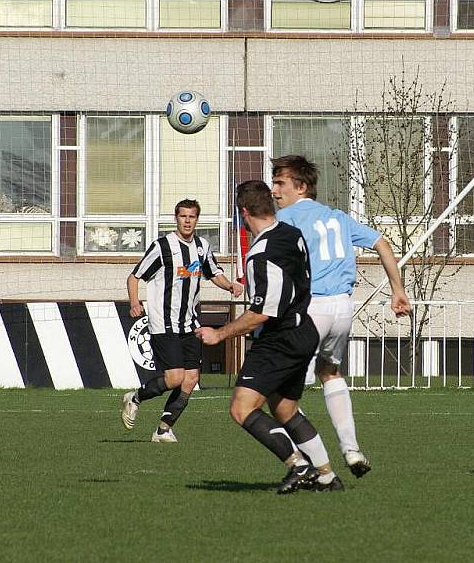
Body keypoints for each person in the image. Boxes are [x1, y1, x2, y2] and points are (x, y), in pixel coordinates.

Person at [270, 155, 411, 477]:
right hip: (343, 309)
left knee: (280, 391)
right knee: (330, 372)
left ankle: (309, 460)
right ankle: (351, 449)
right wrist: (398, 290)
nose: (274, 191)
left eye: (281, 183)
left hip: (310, 309)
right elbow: (383, 244)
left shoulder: (287, 218)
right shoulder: (338, 217)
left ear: (301, 187)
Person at [196, 180, 342, 493]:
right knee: (285, 410)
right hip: (304, 331)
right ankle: (327, 476)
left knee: (242, 408)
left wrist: (218, 335)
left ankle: (298, 466)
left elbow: (261, 313)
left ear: (244, 212)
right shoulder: (291, 234)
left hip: (279, 339)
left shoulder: (260, 254)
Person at [122, 199, 243, 442]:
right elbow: (134, 277)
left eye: (192, 217)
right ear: (176, 218)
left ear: (197, 220)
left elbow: (214, 273)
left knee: (191, 379)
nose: (187, 221)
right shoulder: (162, 247)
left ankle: (163, 429)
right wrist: (134, 302)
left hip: (189, 323)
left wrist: (230, 285)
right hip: (163, 323)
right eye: (183, 216)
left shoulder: (202, 246)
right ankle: (135, 397)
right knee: (175, 377)